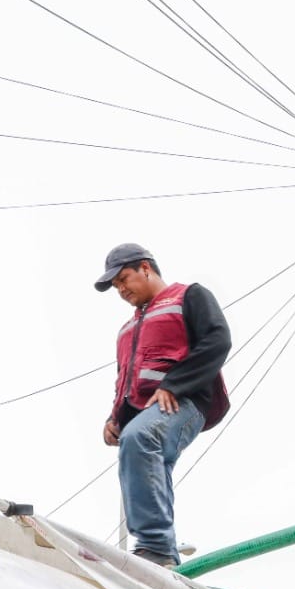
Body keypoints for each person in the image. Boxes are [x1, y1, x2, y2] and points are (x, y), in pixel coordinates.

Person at [96, 243, 231, 567]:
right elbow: (125, 381)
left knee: (141, 439)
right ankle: (164, 555)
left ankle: (155, 545)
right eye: (116, 287)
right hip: (146, 412)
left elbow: (218, 339)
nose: (122, 289)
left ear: (145, 268)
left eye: (124, 279)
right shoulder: (126, 330)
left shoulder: (189, 296)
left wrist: (175, 384)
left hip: (184, 403)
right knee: (145, 456)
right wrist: (114, 418)